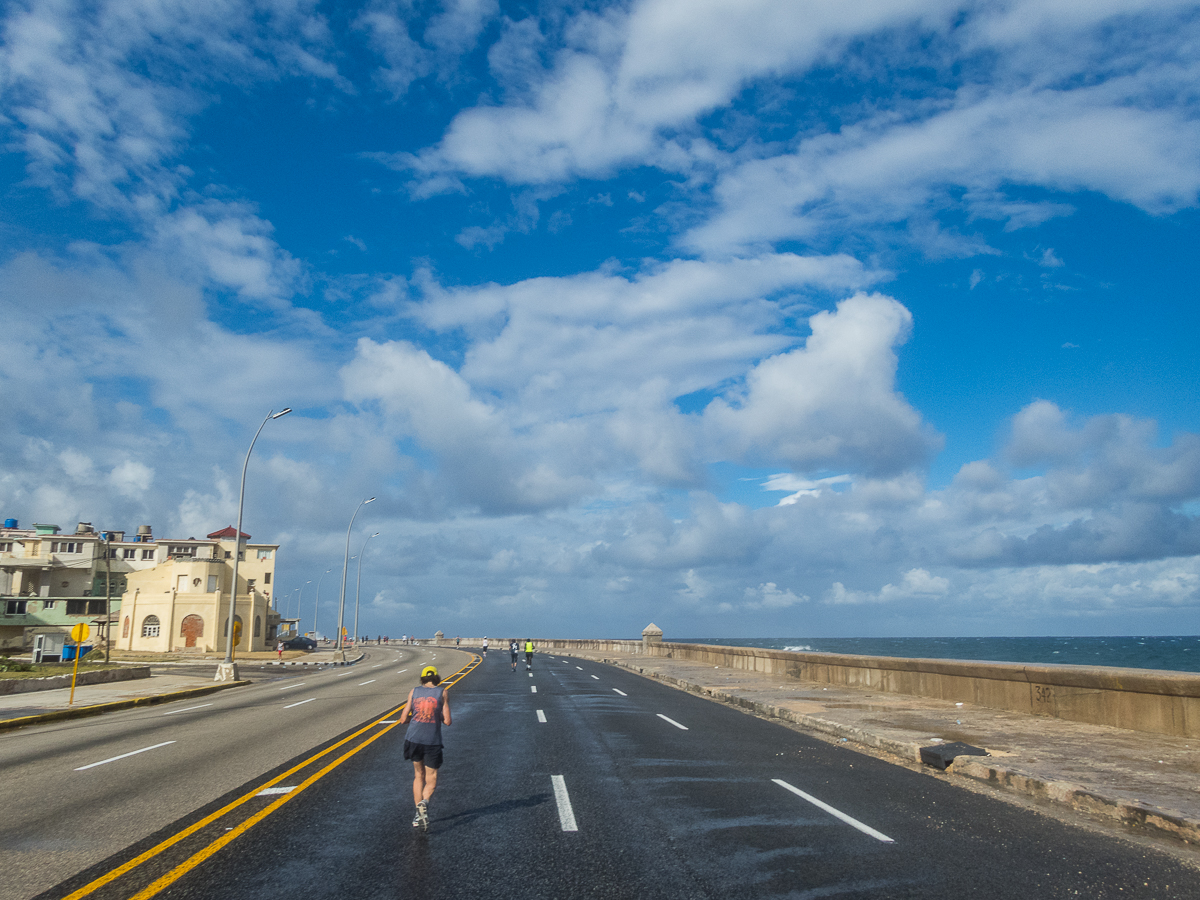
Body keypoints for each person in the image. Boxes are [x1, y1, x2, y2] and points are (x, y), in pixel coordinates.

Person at [399, 665, 452, 832]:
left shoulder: (413, 692)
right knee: (432, 778)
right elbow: (448, 721)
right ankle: (424, 802)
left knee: (418, 775)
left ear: (422, 679)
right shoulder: (442, 693)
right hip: (432, 740)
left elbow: (402, 719)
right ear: (436, 678)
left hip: (413, 738)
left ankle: (417, 815)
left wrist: (413, 718)